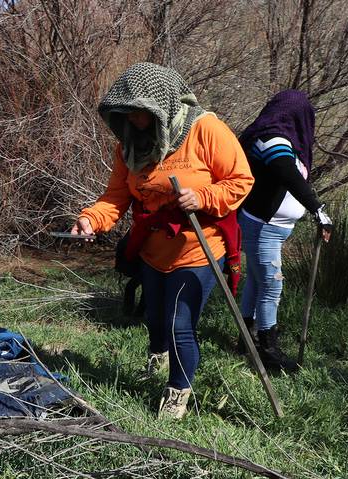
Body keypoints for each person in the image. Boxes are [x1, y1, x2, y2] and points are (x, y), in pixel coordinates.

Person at [70, 63, 253, 419]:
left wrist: (201, 197)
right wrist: (90, 219)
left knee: (179, 323)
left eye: (143, 113)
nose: (136, 120)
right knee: (155, 317)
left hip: (200, 246)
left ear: (163, 107)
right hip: (154, 248)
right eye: (129, 113)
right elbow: (116, 198)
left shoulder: (206, 129)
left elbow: (240, 180)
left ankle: (178, 392)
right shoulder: (129, 148)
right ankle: (158, 355)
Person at [237, 90, 333, 373]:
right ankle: (268, 350)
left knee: (257, 281)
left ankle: (245, 338)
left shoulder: (284, 140)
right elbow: (286, 172)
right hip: (263, 227)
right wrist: (317, 208)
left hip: (274, 228)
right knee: (271, 285)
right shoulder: (270, 139)